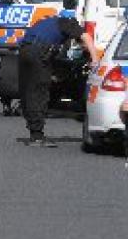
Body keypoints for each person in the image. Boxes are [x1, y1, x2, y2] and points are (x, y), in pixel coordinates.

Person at [19, 15, 98, 147]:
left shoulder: (47, 23)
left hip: (24, 50)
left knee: (29, 91)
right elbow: (87, 37)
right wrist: (95, 59)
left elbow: (56, 55)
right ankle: (37, 136)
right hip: (39, 51)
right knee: (40, 92)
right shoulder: (68, 23)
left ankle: (33, 130)